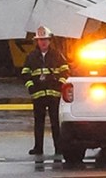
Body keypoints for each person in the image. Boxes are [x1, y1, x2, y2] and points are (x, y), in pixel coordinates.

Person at [21, 26, 69, 156]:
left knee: (55, 123)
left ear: (49, 40)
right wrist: (30, 86)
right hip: (38, 94)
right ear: (37, 41)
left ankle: (58, 147)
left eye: (45, 39)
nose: (43, 42)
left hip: (54, 94)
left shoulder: (57, 55)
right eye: (40, 40)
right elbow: (25, 73)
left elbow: (65, 71)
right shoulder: (31, 57)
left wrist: (60, 84)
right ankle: (38, 148)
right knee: (39, 123)